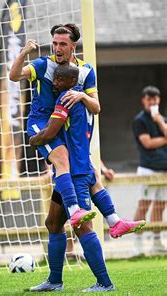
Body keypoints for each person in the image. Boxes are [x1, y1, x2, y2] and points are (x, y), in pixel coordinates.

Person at [28, 65, 145, 292]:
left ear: (71, 81)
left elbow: (51, 132)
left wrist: (34, 139)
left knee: (82, 228)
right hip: (83, 163)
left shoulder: (66, 98)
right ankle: (55, 280)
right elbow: (94, 110)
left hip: (73, 173)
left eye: (58, 79)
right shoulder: (85, 98)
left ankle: (105, 282)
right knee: (53, 223)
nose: (54, 83)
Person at [10, 24, 100, 228]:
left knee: (55, 223)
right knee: (62, 159)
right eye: (54, 43)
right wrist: (24, 52)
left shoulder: (85, 71)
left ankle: (114, 220)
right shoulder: (43, 65)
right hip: (41, 124)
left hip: (67, 133)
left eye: (62, 44)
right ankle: (75, 210)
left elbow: (96, 107)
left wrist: (82, 95)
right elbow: (14, 76)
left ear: (73, 46)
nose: (57, 48)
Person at [132, 86, 167, 254]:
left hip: (164, 170)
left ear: (159, 100)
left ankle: (156, 243)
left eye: (155, 99)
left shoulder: (162, 119)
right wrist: (164, 139)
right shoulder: (140, 120)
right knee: (143, 206)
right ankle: (137, 245)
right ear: (143, 100)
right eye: (149, 99)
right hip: (148, 170)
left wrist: (160, 121)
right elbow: (147, 143)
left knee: (160, 206)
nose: (152, 102)